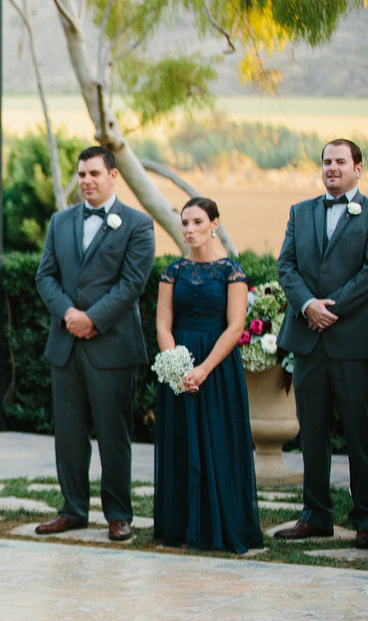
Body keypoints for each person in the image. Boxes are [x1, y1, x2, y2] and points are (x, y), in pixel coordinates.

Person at [34, 145, 156, 542]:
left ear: (113, 176)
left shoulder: (138, 224)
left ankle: (118, 513)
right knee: (68, 435)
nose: (86, 181)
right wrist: (69, 314)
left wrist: (94, 319)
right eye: (82, 175)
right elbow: (45, 276)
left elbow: (132, 283)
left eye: (94, 174)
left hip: (112, 345)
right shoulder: (61, 220)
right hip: (66, 342)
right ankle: (72, 509)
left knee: (113, 434)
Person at [153, 198, 263, 553]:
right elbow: (162, 324)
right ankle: (182, 526)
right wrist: (177, 365)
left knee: (218, 442)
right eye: (185, 223)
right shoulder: (172, 272)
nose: (189, 230)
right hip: (179, 367)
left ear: (215, 224)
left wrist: (202, 369)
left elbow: (235, 327)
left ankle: (220, 526)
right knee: (181, 442)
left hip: (217, 367)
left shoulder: (232, 271)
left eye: (197, 222)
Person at [274, 139, 368, 550]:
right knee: (311, 433)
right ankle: (315, 515)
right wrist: (308, 305)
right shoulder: (301, 211)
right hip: (308, 341)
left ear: (358, 168)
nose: (331, 168)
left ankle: (364, 517)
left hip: (352, 343)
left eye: (340, 162)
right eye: (326, 162)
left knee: (359, 434)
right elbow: (286, 265)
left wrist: (333, 307)